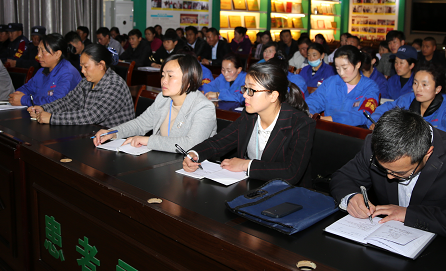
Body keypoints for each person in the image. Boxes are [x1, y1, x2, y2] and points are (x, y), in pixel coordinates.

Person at [330, 108, 446, 246]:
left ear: (427, 154)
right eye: (384, 169)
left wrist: (409, 214)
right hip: (383, 241)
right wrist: (351, 197)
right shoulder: (375, 144)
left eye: (400, 173)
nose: (389, 177)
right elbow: (342, 177)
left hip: (438, 250)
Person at [183, 61, 315, 186]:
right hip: (251, 187)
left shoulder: (301, 124)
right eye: (245, 89)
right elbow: (220, 141)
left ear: (273, 96)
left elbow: (291, 172)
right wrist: (195, 154)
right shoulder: (249, 116)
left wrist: (245, 165)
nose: (245, 95)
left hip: (287, 194)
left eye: (251, 90)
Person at [93, 54, 217, 152]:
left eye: (170, 76)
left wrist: (148, 140)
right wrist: (113, 132)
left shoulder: (203, 107)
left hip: (191, 169)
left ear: (189, 80)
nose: (164, 81)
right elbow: (140, 124)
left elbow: (191, 144)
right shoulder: (163, 99)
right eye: (163, 75)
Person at [28, 44, 135, 127]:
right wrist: (44, 109)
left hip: (115, 140)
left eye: (86, 66)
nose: (82, 71)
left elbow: (91, 116)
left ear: (101, 65)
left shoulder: (115, 85)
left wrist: (52, 118)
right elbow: (68, 102)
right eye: (81, 66)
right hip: (91, 134)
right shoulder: (86, 82)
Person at [373, 62, 446, 142]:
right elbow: (382, 110)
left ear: (437, 89)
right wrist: (375, 122)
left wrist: (420, 130)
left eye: (424, 85)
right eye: (415, 83)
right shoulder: (407, 99)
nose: (418, 89)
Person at [306, 45, 379, 126]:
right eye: (337, 68)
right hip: (327, 129)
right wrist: (309, 113)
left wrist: (328, 119)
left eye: (345, 68)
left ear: (358, 64)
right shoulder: (331, 82)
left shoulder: (370, 87)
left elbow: (363, 115)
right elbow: (313, 101)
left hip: (354, 131)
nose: (341, 73)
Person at [8, 33, 82, 106]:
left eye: (43, 51)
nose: (39, 55)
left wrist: (24, 100)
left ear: (57, 54)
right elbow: (27, 88)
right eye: (38, 50)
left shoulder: (67, 73)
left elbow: (56, 102)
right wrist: (17, 95)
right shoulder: (41, 71)